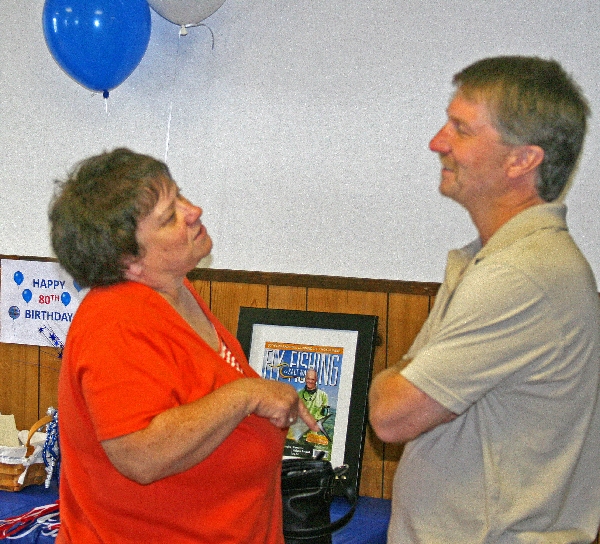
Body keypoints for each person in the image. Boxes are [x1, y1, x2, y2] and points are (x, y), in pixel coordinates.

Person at [368, 56, 600, 543]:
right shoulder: (498, 260)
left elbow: (392, 415)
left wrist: (396, 379)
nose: (438, 142)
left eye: (462, 129)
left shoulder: (520, 276)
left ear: (522, 160)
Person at [48, 148, 318, 544]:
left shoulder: (174, 292)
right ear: (129, 262)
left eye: (180, 197)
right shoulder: (116, 319)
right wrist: (245, 396)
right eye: (170, 216)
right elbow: (140, 454)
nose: (194, 211)